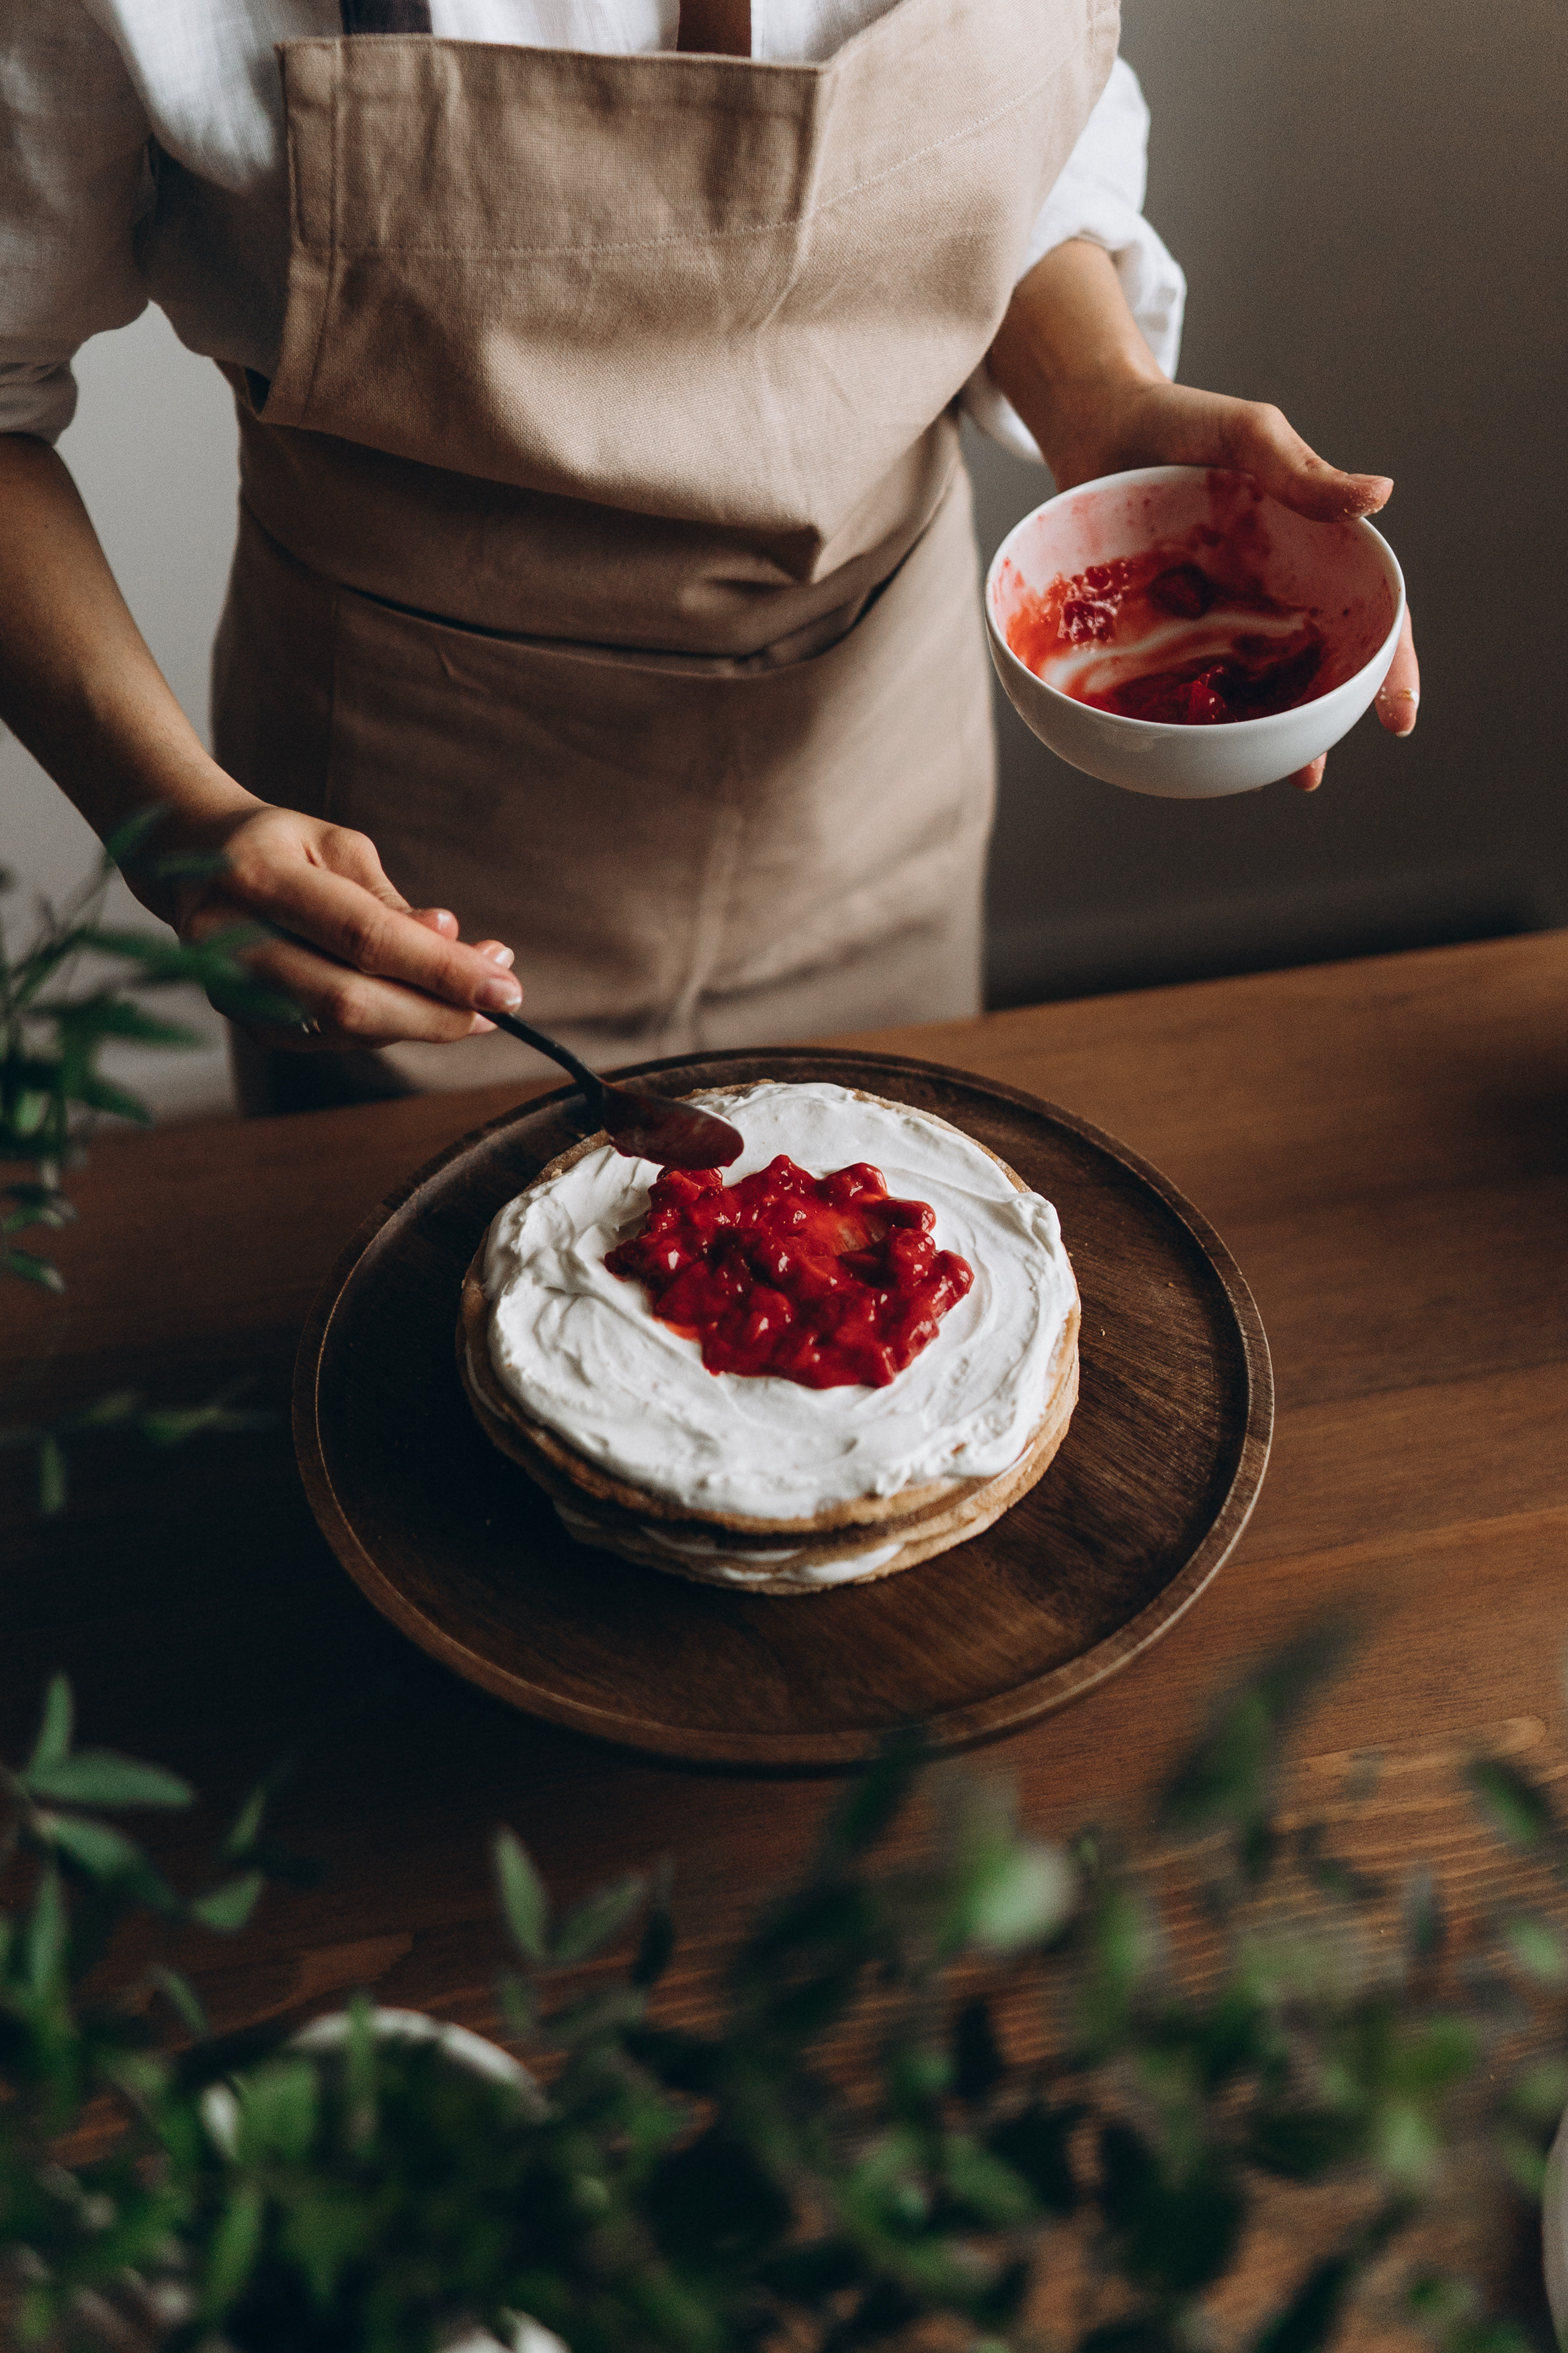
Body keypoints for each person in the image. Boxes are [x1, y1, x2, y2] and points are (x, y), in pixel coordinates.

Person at [0, 0, 1419, 1113]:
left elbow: (996, 139)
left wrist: (1100, 401)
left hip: (874, 774)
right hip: (406, 860)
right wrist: (176, 819)